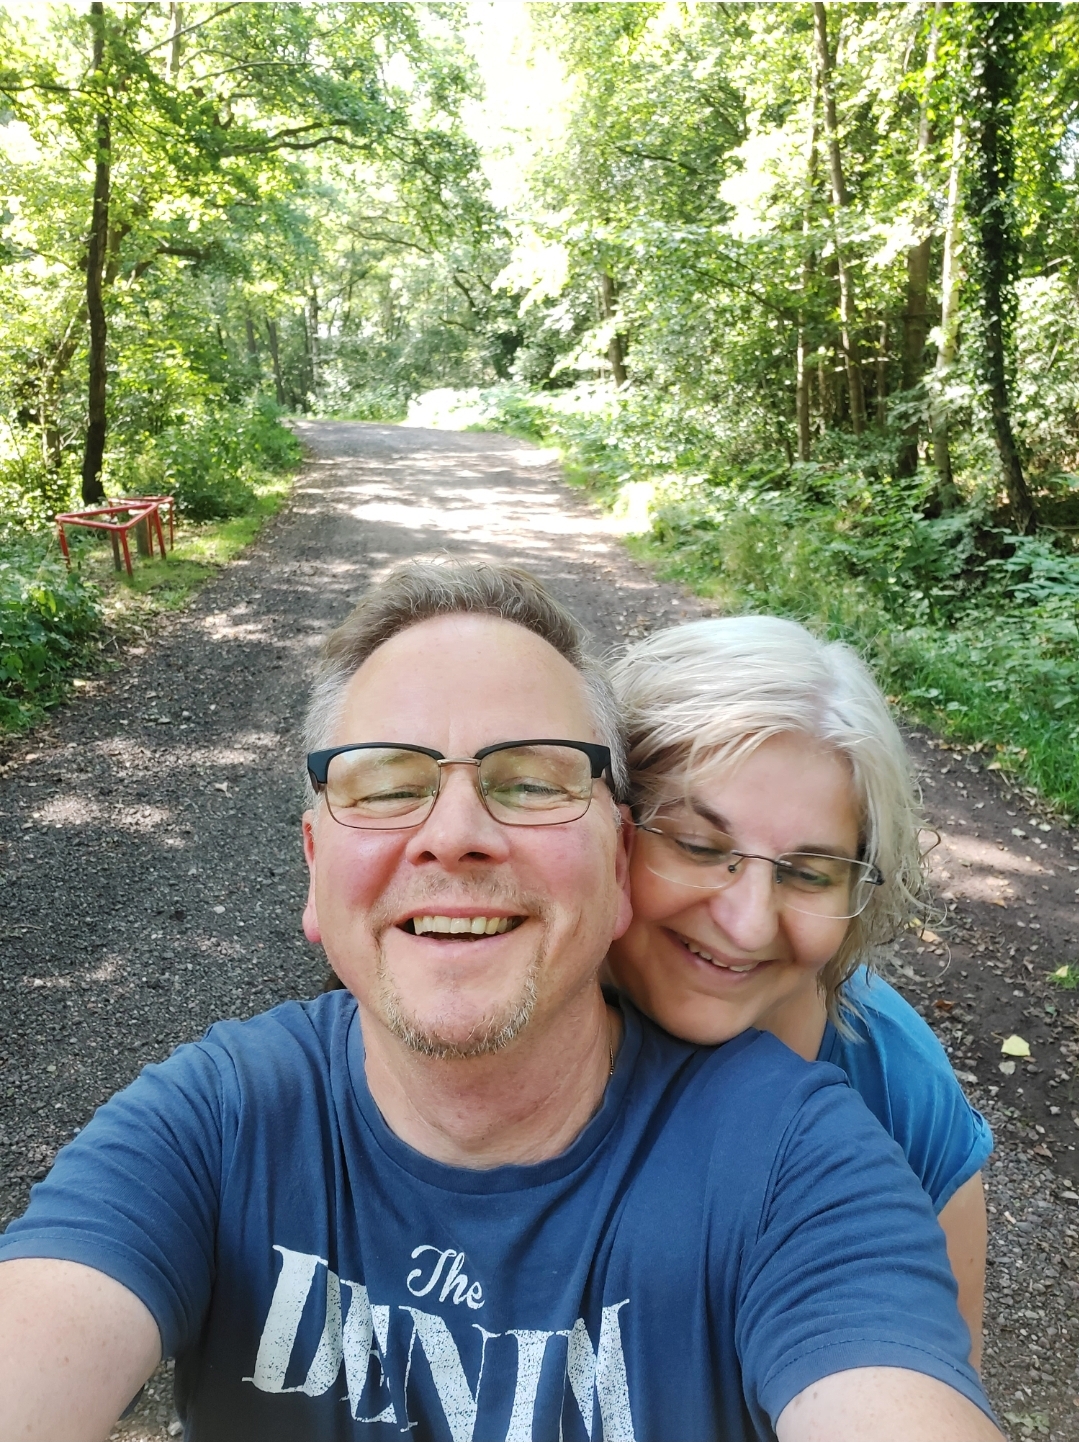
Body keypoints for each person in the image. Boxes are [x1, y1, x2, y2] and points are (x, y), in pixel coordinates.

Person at [0, 563, 1001, 1442]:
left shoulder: (840, 1125)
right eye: (387, 783)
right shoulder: (215, 1122)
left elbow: (907, 1362)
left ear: (608, 860)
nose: (456, 834)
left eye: (527, 783)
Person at [606, 614, 993, 1368]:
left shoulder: (897, 1088)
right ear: (610, 822)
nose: (748, 925)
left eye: (808, 873)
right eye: (697, 846)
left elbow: (944, 1371)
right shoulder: (507, 1017)